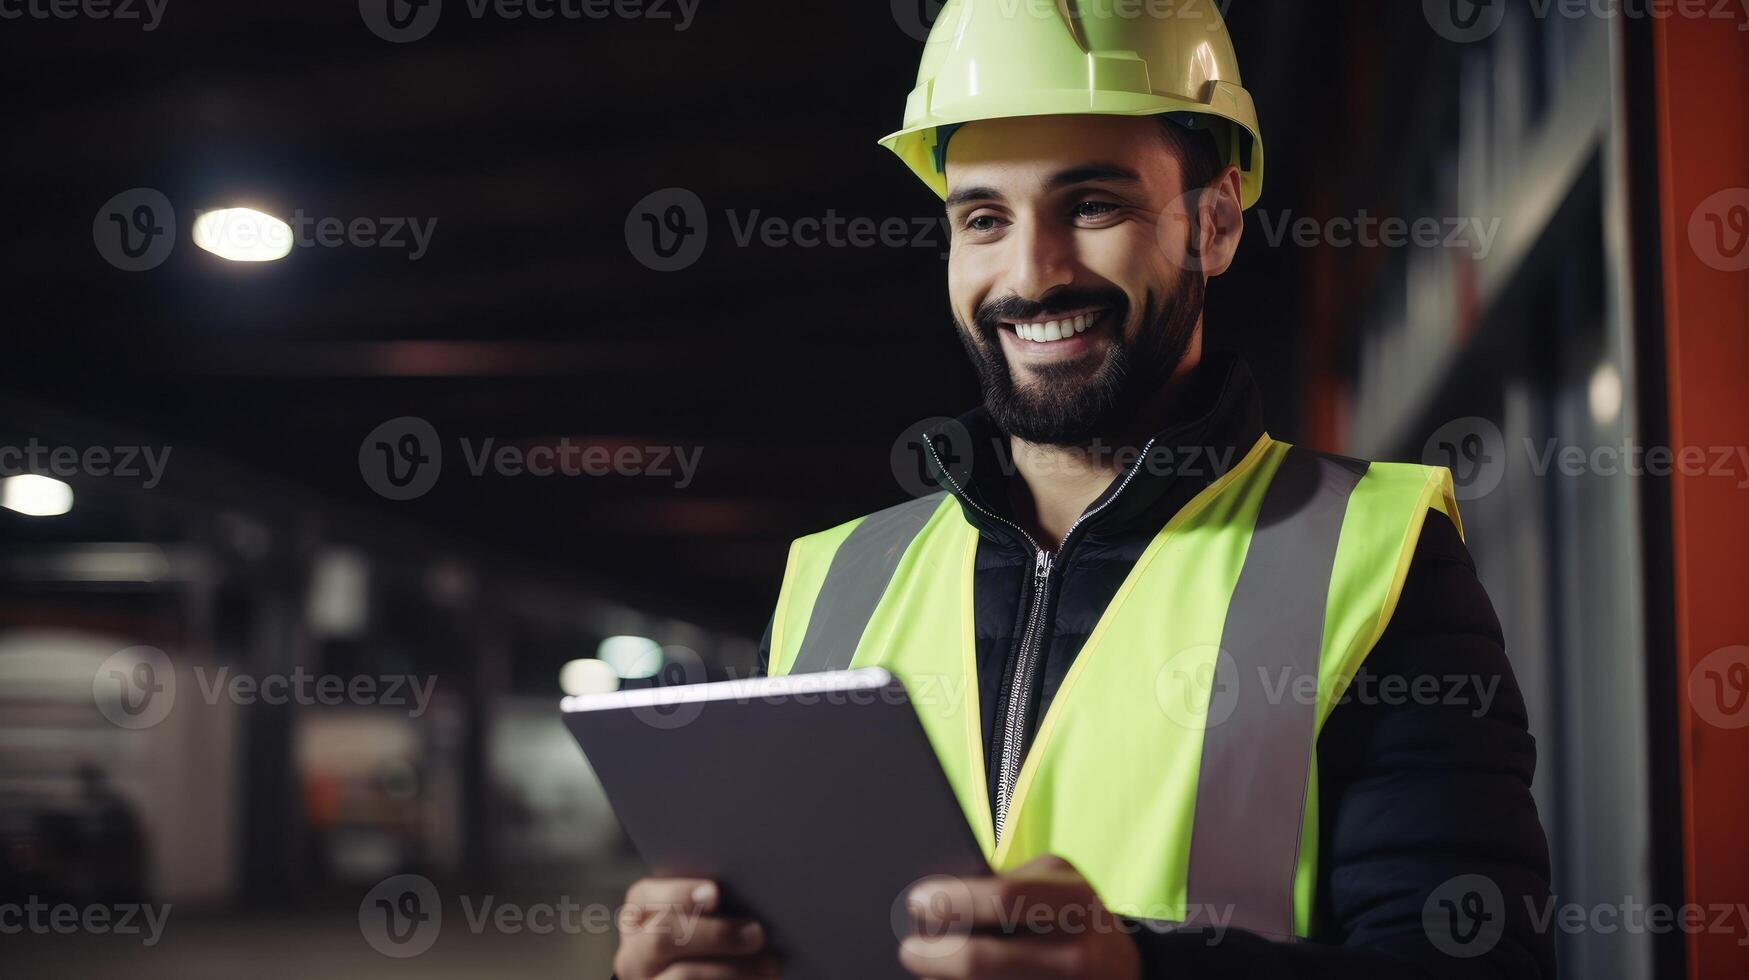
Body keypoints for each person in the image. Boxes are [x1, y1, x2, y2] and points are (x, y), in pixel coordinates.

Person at [613, 3, 1554, 977]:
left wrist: (1144, 970)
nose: (1031, 273)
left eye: (1093, 205)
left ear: (1215, 222)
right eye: (984, 218)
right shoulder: (835, 577)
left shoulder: (1375, 551)